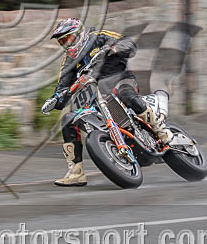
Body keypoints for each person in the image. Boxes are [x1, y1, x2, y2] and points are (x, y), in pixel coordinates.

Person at [40, 17, 172, 187]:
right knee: (67, 120)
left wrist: (114, 48)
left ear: (80, 34)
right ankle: (76, 172)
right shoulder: (69, 61)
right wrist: (55, 99)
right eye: (62, 41)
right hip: (94, 97)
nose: (67, 44)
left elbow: (129, 43)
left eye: (69, 38)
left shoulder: (99, 36)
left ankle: (160, 130)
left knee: (125, 94)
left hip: (119, 81)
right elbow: (62, 87)